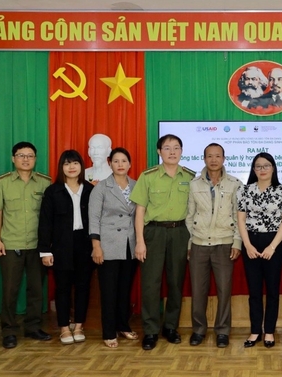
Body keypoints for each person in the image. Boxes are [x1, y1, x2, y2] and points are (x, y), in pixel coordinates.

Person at [131, 135, 195, 350]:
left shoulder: (190, 177)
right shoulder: (148, 176)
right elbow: (139, 211)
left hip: (180, 233)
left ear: (182, 151)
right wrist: (140, 241)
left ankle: (170, 327)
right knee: (150, 284)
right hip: (154, 233)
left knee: (176, 283)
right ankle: (150, 331)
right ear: (159, 151)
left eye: (177, 148)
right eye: (167, 148)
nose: (172, 152)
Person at [0, 141, 52, 349]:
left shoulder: (44, 183)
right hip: (10, 243)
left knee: (36, 289)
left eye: (30, 155)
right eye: (21, 155)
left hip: (36, 245)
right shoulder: (2, 182)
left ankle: (33, 327)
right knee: (9, 290)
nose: (26, 159)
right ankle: (9, 331)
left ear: (35, 159)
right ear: (13, 158)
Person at [185, 143, 243, 348]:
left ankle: (222, 331)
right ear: (204, 159)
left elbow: (239, 217)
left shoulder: (236, 184)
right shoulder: (194, 185)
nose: (214, 160)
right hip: (199, 244)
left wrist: (237, 241)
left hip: (224, 243)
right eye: (209, 156)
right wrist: (190, 243)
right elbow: (189, 216)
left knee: (224, 290)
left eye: (217, 156)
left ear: (224, 158)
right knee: (198, 291)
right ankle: (198, 330)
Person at [38, 150, 95, 345]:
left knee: (83, 287)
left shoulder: (90, 190)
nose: (72, 167)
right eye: (67, 163)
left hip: (85, 243)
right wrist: (45, 250)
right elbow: (45, 223)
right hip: (61, 244)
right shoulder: (53, 191)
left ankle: (79, 326)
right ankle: (63, 327)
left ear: (81, 166)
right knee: (62, 288)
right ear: (61, 167)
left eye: (75, 163)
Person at [237, 152, 282, 348]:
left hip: (273, 243)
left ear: (273, 168)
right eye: (258, 166)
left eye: (266, 166)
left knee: (272, 290)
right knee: (254, 291)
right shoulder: (245, 190)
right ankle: (254, 332)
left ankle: (269, 331)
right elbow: (241, 219)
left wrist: (272, 246)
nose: (262, 170)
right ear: (253, 169)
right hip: (250, 242)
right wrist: (248, 245)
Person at [88, 147, 138, 348]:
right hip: (107, 246)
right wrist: (96, 246)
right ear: (110, 163)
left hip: (130, 245)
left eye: (124, 161)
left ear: (130, 164)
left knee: (124, 290)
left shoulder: (136, 186)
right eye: (116, 161)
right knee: (108, 292)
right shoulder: (101, 187)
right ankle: (109, 332)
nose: (120, 164)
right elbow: (94, 218)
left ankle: (123, 325)